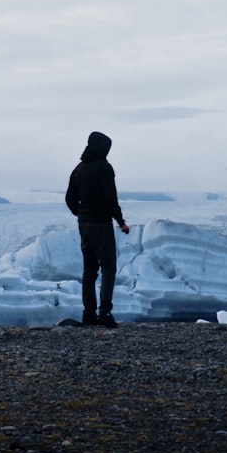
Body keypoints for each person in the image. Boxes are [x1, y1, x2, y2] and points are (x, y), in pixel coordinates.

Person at [65, 131, 130, 328]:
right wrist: (120, 221)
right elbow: (111, 198)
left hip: (84, 224)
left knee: (89, 270)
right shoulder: (105, 168)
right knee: (108, 267)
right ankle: (105, 313)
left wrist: (81, 214)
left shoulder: (78, 169)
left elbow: (69, 198)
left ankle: (89, 314)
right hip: (102, 224)